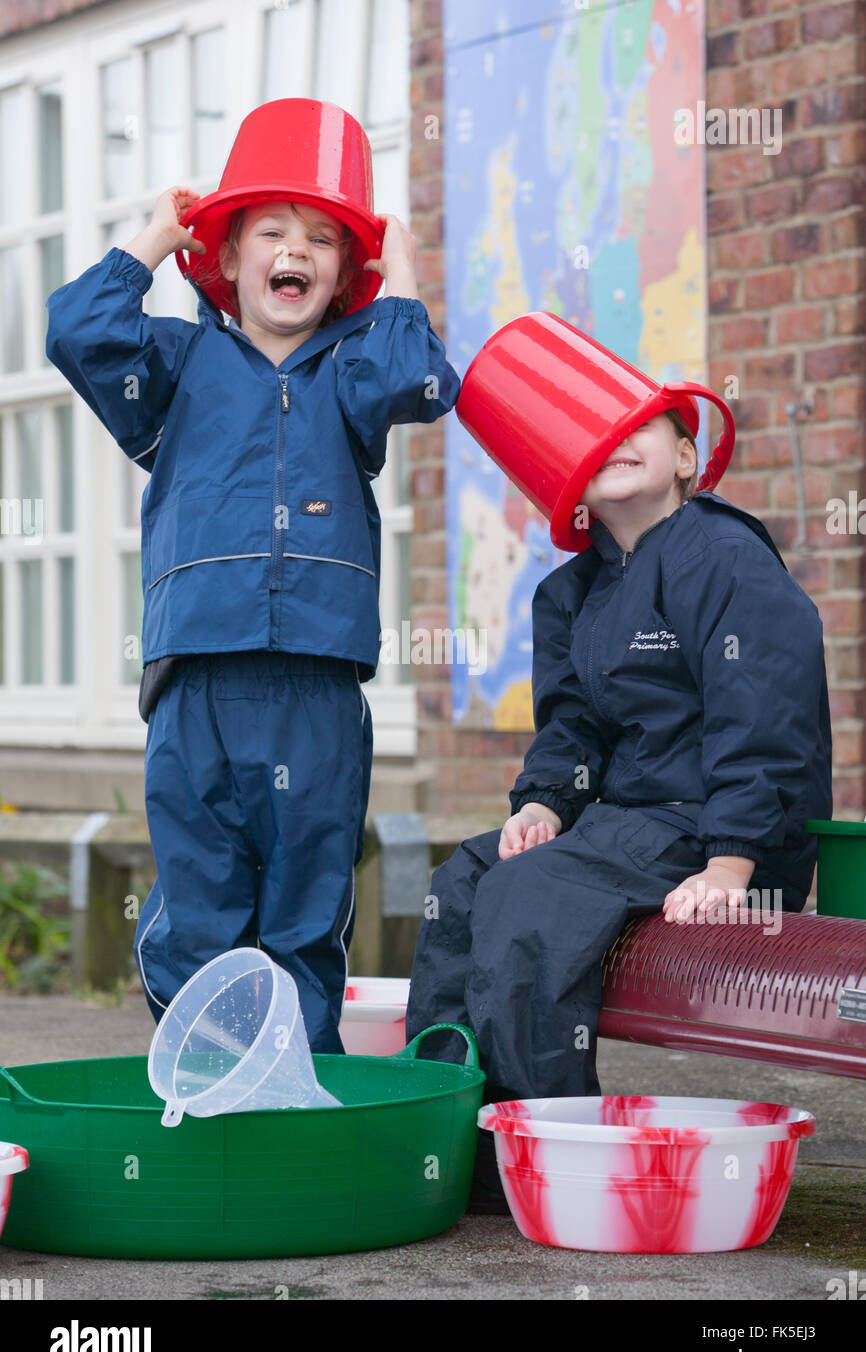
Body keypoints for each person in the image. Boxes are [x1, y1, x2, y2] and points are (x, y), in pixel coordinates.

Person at [45, 101, 460, 1052]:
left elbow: (423, 381)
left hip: (317, 683)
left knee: (306, 917)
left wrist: (396, 277)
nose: (295, 250)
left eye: (322, 239)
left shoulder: (355, 373)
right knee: (198, 910)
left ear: (344, 276)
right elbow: (79, 332)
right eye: (270, 231)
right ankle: (209, 1082)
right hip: (197, 678)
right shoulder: (177, 363)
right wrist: (155, 238)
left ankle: (298, 1097)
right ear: (225, 260)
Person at [406, 404, 832, 1209]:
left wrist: (733, 859)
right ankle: (453, 1140)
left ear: (685, 459)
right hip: (626, 827)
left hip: (727, 827)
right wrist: (543, 808)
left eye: (644, 428)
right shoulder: (571, 593)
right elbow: (571, 728)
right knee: (461, 882)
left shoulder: (723, 558)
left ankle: (555, 1156)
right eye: (595, 440)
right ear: (570, 486)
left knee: (531, 898)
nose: (618, 444)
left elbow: (766, 711)